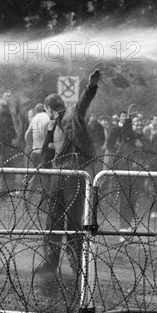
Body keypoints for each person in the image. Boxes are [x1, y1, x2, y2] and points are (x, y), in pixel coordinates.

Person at [37, 69, 101, 276]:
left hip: (74, 175)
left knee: (74, 221)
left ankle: (76, 264)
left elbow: (83, 103)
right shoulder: (52, 125)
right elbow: (48, 153)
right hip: (58, 175)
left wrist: (91, 87)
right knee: (53, 221)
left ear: (48, 108)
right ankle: (51, 261)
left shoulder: (72, 114)